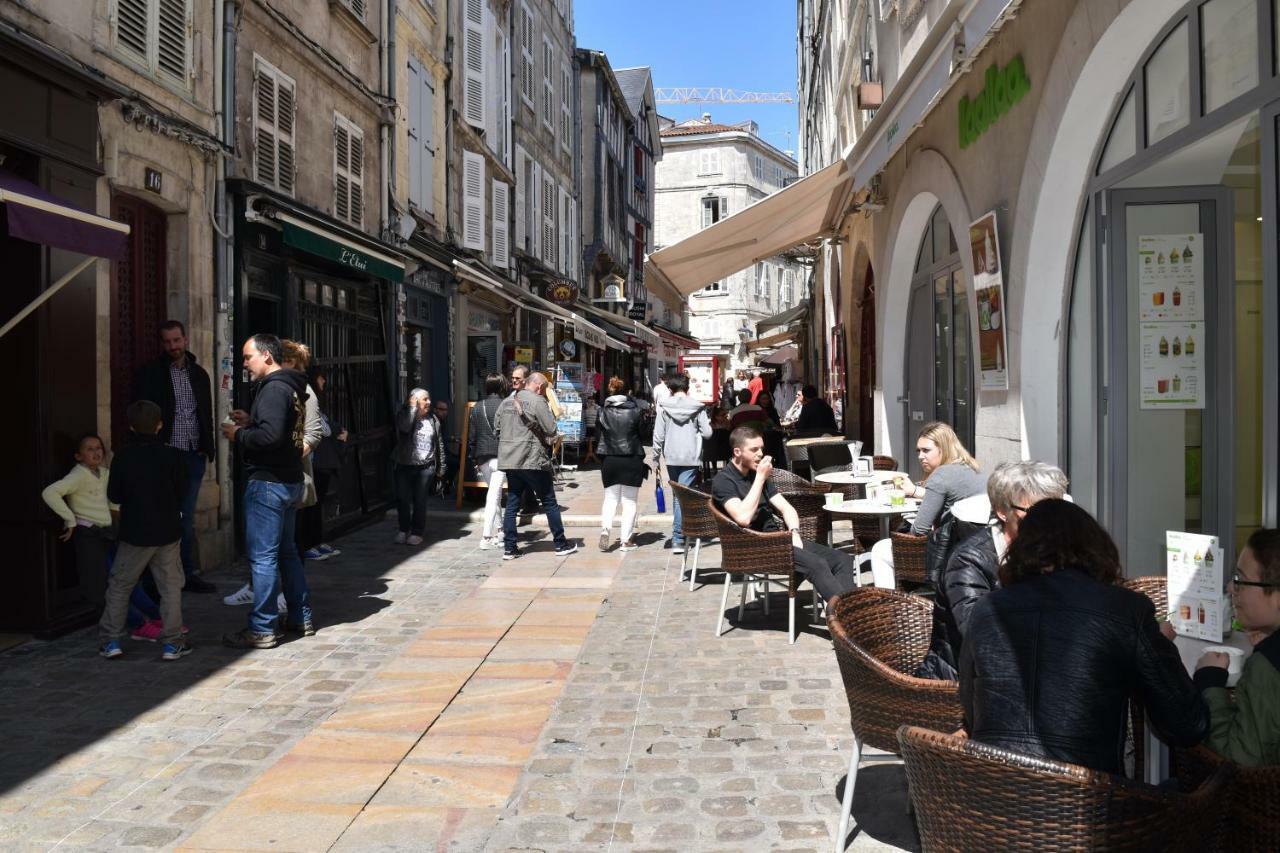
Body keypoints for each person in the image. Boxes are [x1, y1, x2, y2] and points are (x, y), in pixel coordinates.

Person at [959, 499, 1208, 773]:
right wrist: (1208, 676)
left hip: (988, 797)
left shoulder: (987, 609)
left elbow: (973, 711)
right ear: (1094, 546)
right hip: (1088, 802)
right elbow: (1187, 725)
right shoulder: (1124, 610)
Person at [916, 461, 1069, 680]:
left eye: (1055, 509)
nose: (1049, 520)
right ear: (1002, 511)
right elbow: (979, 633)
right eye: (1035, 511)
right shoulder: (969, 560)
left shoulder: (1056, 548)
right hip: (966, 682)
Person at [221, 333, 312, 649]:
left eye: (248, 357)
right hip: (288, 480)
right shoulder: (291, 388)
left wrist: (239, 435)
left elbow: (271, 436)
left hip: (270, 483)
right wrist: (251, 422)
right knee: (287, 552)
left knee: (263, 557)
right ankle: (300, 617)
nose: (244, 363)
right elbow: (281, 430)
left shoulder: (274, 389)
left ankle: (262, 627)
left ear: (267, 357)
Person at [712, 426, 857, 602]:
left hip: (778, 540)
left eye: (761, 449)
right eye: (754, 450)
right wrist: (760, 478)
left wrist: (794, 532)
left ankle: (850, 610)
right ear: (737, 452)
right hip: (752, 546)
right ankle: (844, 616)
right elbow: (743, 518)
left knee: (842, 559)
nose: (760, 454)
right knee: (817, 564)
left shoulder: (756, 474)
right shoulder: (724, 481)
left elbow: (787, 508)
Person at [98, 401, 190, 661]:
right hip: (167, 530)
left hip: (135, 531)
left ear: (130, 427)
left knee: (120, 585)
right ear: (160, 425)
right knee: (170, 587)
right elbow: (182, 492)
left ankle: (111, 640)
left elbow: (114, 494)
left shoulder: (123, 456)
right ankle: (173, 643)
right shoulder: (173, 455)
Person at [130, 320, 217, 593]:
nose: (172, 347)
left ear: (185, 339)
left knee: (186, 517)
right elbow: (141, 412)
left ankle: (187, 573)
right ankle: (157, 579)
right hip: (165, 454)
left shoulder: (200, 374)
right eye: (167, 342)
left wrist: (207, 446)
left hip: (192, 454)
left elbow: (205, 413)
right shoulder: (151, 374)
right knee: (162, 514)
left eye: (176, 341)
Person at [1194, 528, 1280, 766]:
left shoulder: (1267, 666)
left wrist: (1210, 682)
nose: (1231, 587)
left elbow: (1237, 760)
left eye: (1240, 580)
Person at [868, 421, 987, 588]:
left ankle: (888, 605)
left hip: (946, 554)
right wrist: (916, 491)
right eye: (919, 451)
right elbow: (950, 498)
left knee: (880, 550)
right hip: (977, 549)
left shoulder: (940, 475)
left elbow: (919, 531)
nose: (920, 456)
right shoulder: (973, 468)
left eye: (926, 450)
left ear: (943, 448)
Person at [497, 371, 577, 560]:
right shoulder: (538, 401)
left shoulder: (506, 401)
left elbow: (497, 428)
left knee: (512, 504)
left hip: (510, 460)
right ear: (539, 387)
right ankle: (560, 543)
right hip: (531, 459)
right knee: (549, 502)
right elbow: (551, 429)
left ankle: (509, 548)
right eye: (544, 389)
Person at [653, 372, 711, 554]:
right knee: (681, 496)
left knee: (677, 495)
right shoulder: (698, 407)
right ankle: (679, 537)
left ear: (670, 389)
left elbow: (658, 435)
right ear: (688, 387)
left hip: (671, 456)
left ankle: (680, 535)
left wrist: (655, 458)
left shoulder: (663, 407)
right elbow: (708, 433)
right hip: (690, 456)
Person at [299, 365, 346, 561]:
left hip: (323, 461)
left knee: (317, 504)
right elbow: (323, 429)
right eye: (321, 378)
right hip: (314, 461)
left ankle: (315, 541)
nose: (323, 382)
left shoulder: (315, 401)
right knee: (309, 505)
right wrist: (337, 431)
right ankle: (307, 543)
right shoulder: (308, 398)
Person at [596, 377, 649, 552]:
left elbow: (599, 435)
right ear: (627, 392)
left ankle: (605, 529)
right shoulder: (635, 411)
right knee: (629, 501)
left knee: (610, 498)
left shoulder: (602, 411)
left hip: (610, 458)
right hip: (631, 456)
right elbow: (643, 433)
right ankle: (625, 541)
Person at [393, 388, 445, 546]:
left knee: (420, 500)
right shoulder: (404, 415)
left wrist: (441, 468)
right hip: (405, 464)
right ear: (414, 401)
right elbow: (405, 428)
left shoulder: (433, 420)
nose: (429, 402)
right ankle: (403, 529)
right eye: (424, 399)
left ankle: (417, 531)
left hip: (426, 467)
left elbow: (439, 444)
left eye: (428, 399)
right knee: (402, 498)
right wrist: (412, 409)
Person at [469, 373, 507, 550]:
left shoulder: (477, 407)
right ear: (501, 386)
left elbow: (472, 436)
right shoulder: (506, 405)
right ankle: (486, 535)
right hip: (501, 456)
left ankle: (500, 530)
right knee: (493, 495)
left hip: (483, 456)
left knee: (495, 494)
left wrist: (473, 457)